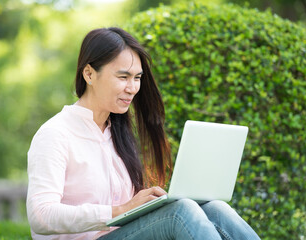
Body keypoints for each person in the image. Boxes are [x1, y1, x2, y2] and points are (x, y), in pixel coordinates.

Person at [26, 27, 261, 240]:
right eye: (123, 77)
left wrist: (148, 205)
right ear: (89, 74)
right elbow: (41, 216)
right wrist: (119, 210)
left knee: (214, 208)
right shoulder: (55, 134)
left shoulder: (114, 132)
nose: (132, 88)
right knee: (181, 212)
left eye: (137, 78)